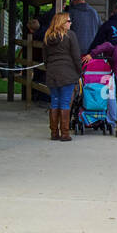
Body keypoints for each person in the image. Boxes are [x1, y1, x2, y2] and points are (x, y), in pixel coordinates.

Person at [43, 12, 84, 141]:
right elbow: (76, 56)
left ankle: (54, 133)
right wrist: (79, 72)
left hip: (52, 73)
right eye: (68, 21)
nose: (70, 23)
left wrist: (49, 68)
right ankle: (65, 133)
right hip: (67, 73)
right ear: (62, 22)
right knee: (65, 102)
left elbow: (45, 58)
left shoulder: (47, 36)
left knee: (54, 101)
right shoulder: (70, 35)